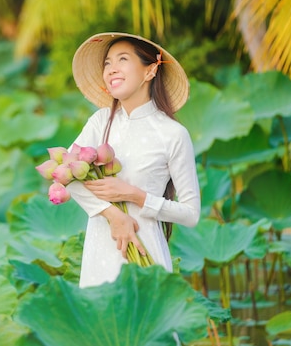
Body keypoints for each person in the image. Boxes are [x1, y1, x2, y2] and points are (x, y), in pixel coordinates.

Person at [68, 32, 201, 288]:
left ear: (150, 71)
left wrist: (136, 195)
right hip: (100, 255)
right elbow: (67, 175)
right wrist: (112, 215)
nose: (111, 69)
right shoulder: (100, 122)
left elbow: (191, 214)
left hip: (145, 253)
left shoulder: (173, 134)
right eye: (107, 63)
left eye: (122, 60)